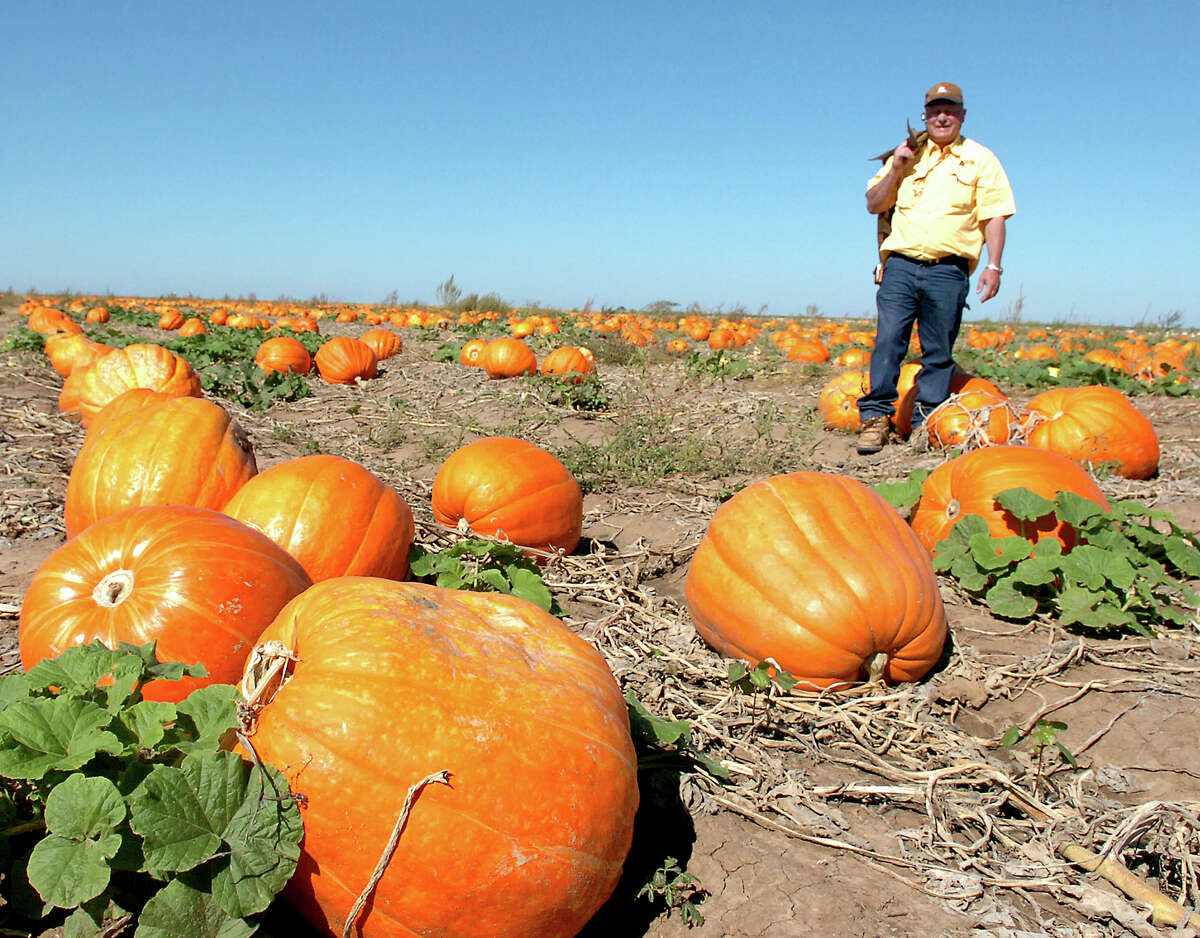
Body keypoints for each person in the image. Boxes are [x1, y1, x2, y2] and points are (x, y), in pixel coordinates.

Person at [856, 81, 1016, 455]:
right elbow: (874, 205)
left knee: (938, 350)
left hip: (948, 270)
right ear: (925, 115)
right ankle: (876, 418)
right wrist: (897, 167)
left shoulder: (981, 159)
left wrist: (994, 266)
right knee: (887, 340)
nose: (942, 116)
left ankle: (924, 423)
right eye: (935, 110)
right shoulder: (906, 155)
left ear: (961, 116)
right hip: (900, 265)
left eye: (950, 110)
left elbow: (995, 216)